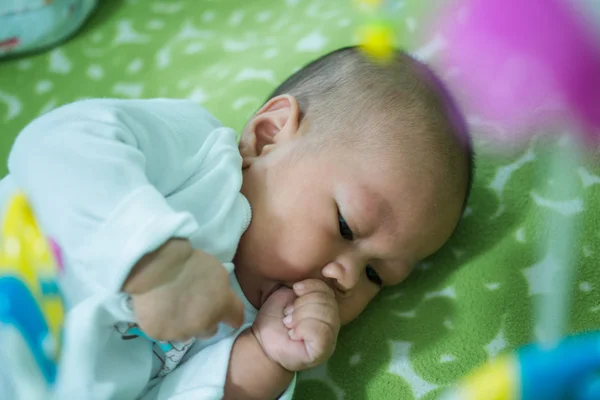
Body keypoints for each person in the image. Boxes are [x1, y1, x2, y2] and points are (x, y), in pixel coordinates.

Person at [0, 46, 474, 399]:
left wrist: (264, 361)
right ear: (267, 138)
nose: (345, 277)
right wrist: (154, 262)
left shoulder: (252, 331)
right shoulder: (198, 160)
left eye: (377, 275)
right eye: (346, 227)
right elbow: (52, 145)